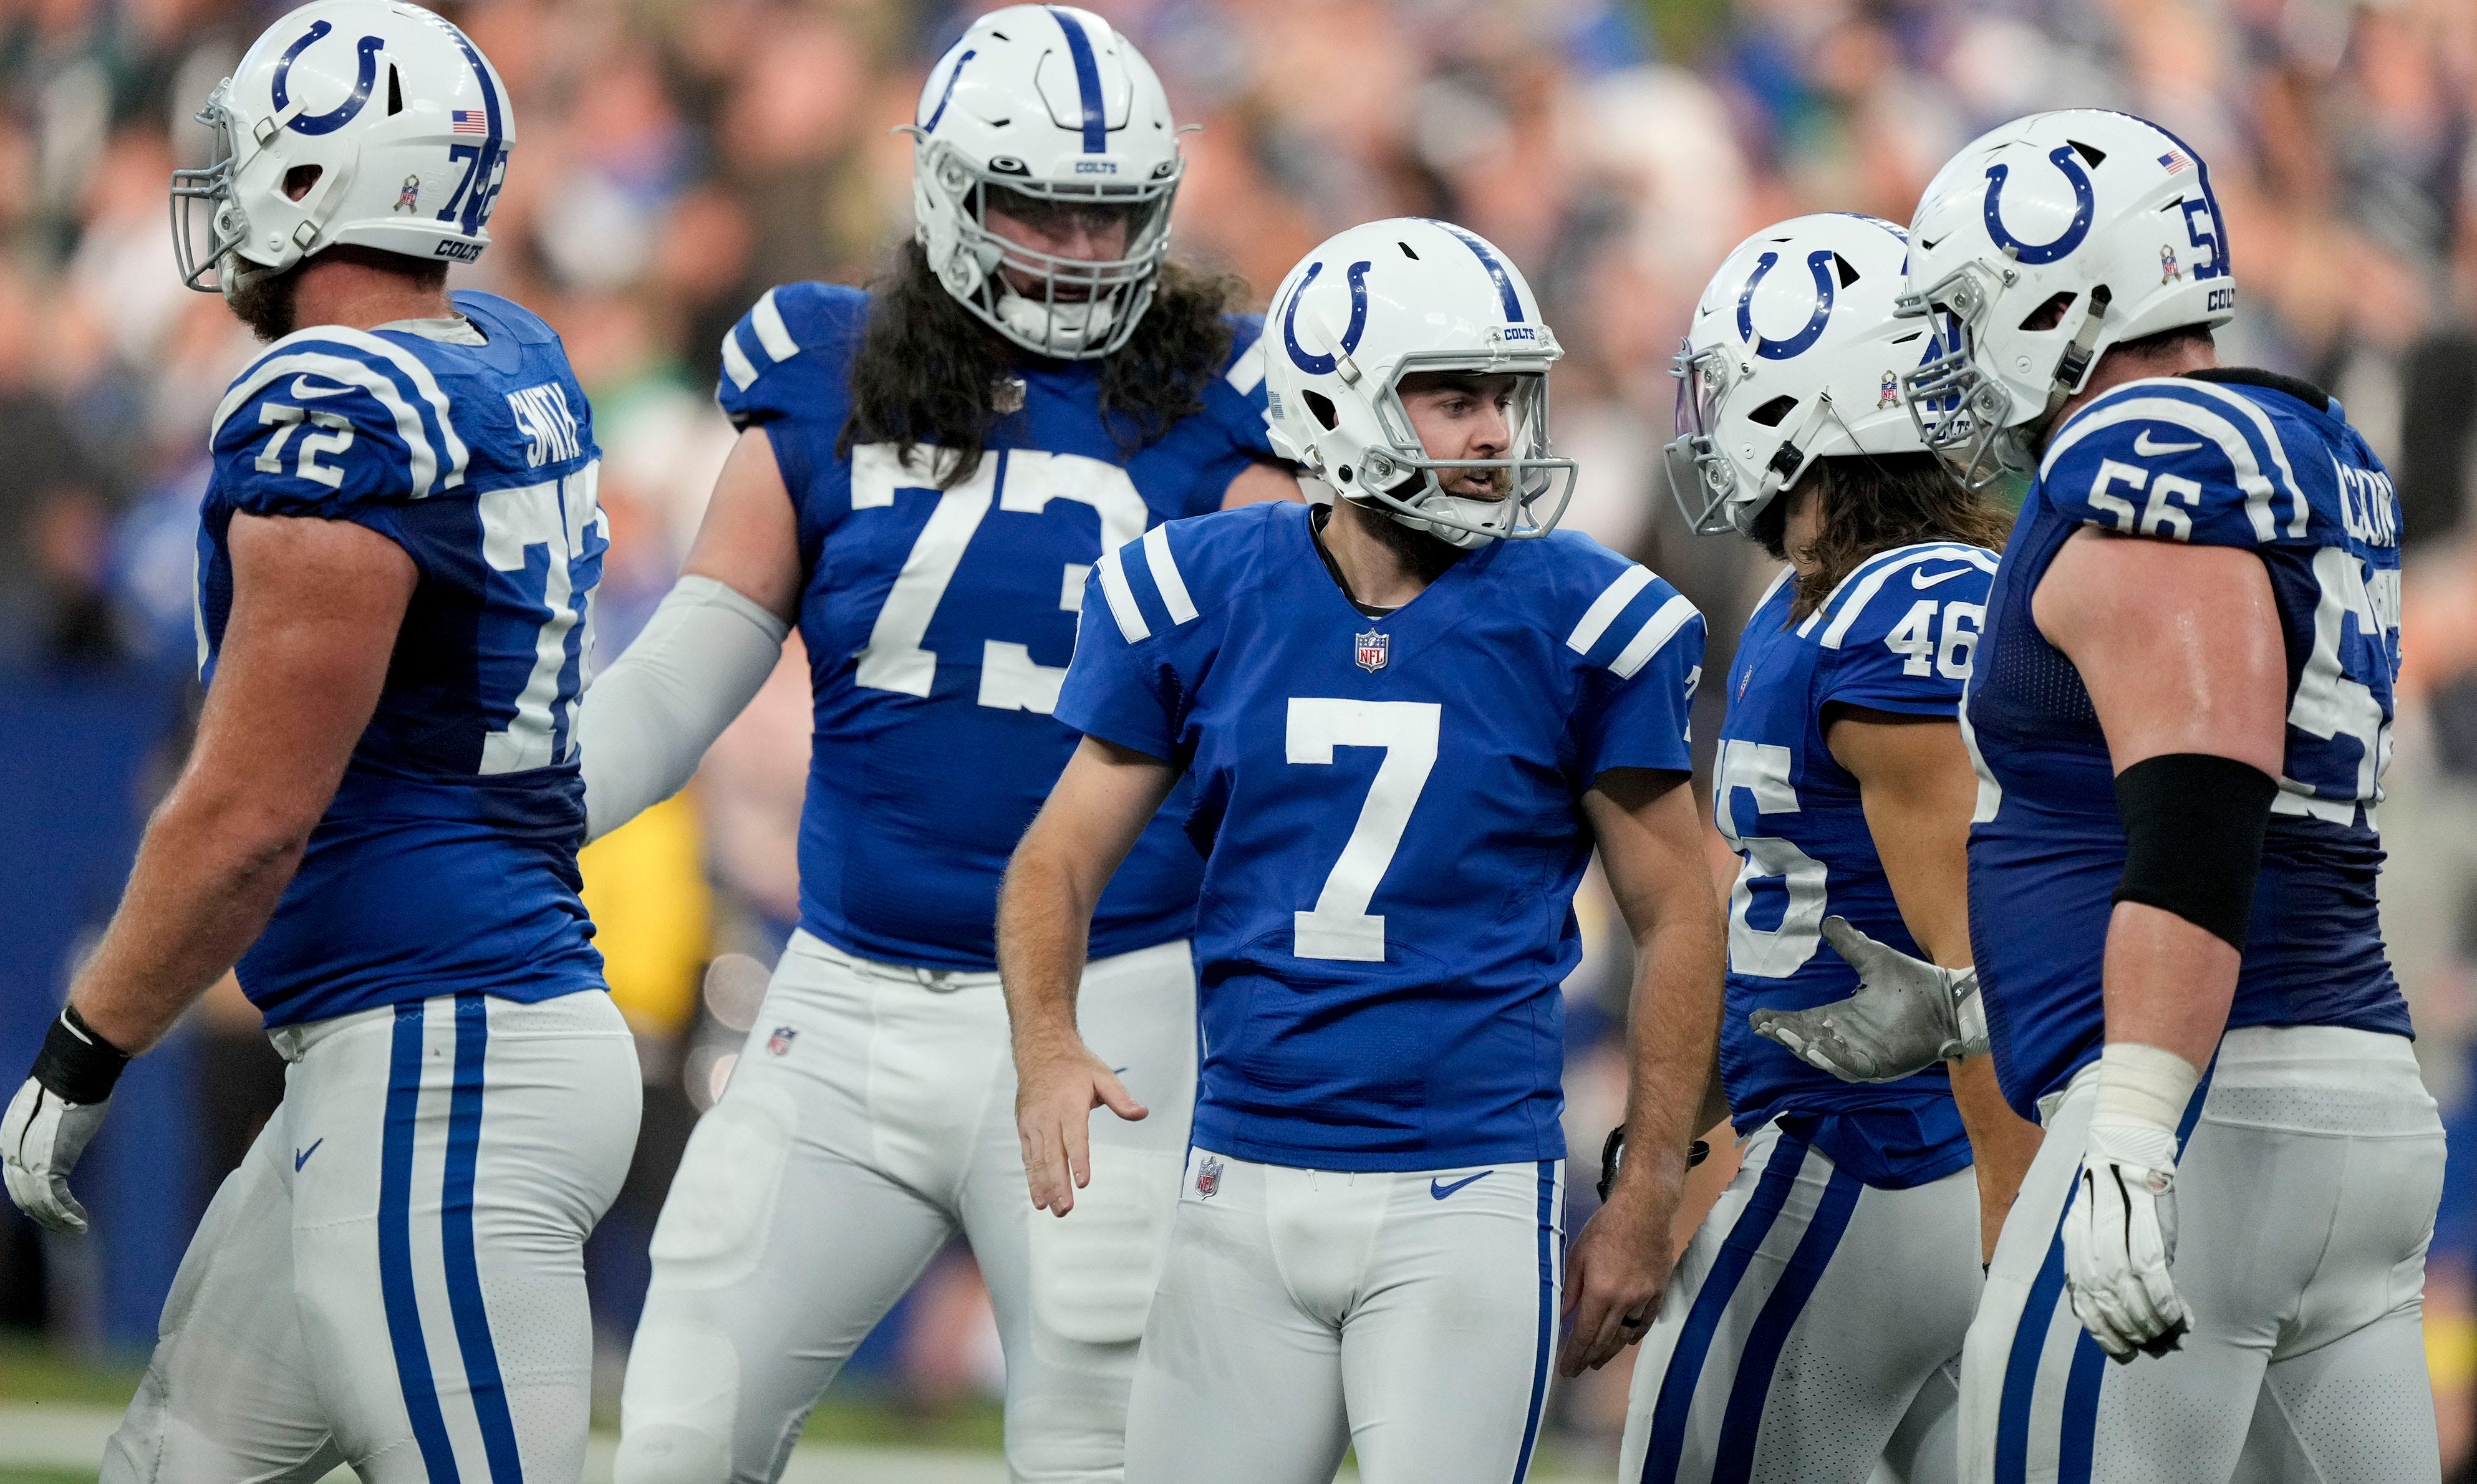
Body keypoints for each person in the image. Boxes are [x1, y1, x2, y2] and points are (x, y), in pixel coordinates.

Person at [589, 4, 1298, 1484]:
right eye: (1041, 207)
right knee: (677, 1429)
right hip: (841, 999)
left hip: (1112, 1012)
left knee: (1099, 1447)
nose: (1081, 254)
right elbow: (686, 674)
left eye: (1113, 221)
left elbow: (1303, 704)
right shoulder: (824, 366)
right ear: (947, 190)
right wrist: (518, 805)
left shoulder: (1232, 404)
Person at [0, 0, 640, 1484]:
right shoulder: (504, 351)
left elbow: (249, 814)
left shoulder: (336, 409)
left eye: (252, 156)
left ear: (323, 184)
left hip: (446, 1059)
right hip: (417, 1050)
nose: (224, 192)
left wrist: (88, 1045)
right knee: (178, 1462)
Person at [1757, 109, 2441, 1480]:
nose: (1948, 358)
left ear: (2066, 293)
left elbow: (2203, 812)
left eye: (1964, 312)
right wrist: (1974, 1003)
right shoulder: (2296, 435)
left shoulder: (2142, 454)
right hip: (2341, 1101)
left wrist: (2131, 1127)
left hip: (2200, 1110)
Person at [998, 216, 1729, 1484]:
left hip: (1466, 1191)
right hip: (1239, 1176)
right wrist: (1047, 1043)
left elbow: (1680, 913)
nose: (1498, 431)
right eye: (1452, 399)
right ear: (1336, 408)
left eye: (1506, 395)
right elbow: (1054, 859)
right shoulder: (1204, 590)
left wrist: (1650, 1187)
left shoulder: (1583, 617)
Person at [1622, 212, 2042, 1484]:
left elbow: (1974, 969)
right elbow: (1778, 933)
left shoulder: (1894, 610)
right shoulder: (1817, 595)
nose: (1710, 427)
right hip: (1873, 1161)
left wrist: (2016, 1225)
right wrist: (1665, 1144)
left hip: (1872, 1170)